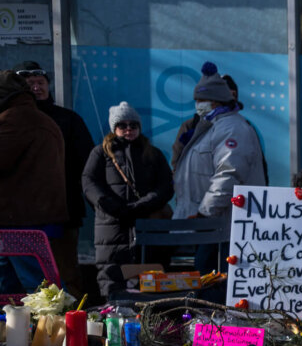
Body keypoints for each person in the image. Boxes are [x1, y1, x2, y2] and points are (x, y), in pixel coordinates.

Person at [172, 60, 266, 273]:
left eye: (201, 99)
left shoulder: (231, 128)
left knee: (212, 280)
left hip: (223, 226)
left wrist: (206, 211)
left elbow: (229, 173)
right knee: (205, 278)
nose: (198, 104)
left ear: (215, 102)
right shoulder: (212, 127)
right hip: (211, 226)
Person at [16, 61, 94, 297]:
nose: (37, 88)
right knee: (27, 275)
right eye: (30, 84)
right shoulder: (11, 121)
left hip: (63, 211)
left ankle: (74, 319)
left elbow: (88, 163)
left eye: (41, 83)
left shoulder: (68, 119)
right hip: (21, 215)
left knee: (65, 269)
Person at [81, 102, 174, 297]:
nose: (129, 129)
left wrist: (143, 205)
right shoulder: (101, 153)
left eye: (134, 125)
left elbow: (166, 186)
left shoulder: (152, 153)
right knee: (112, 277)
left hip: (147, 224)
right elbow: (89, 182)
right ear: (114, 128)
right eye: (123, 125)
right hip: (112, 226)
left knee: (150, 281)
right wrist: (108, 204)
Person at [0, 70, 66, 293]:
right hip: (30, 217)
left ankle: (62, 326)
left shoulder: (15, 119)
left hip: (19, 219)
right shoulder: (35, 117)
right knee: (20, 288)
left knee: (40, 289)